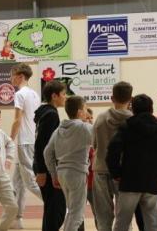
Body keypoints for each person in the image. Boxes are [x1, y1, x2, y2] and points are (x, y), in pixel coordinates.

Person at [107, 94, 157, 231]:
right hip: (151, 183)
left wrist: (116, 173)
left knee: (122, 223)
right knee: (152, 225)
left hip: (129, 182)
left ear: (133, 109)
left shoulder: (126, 127)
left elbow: (112, 150)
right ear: (151, 109)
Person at [44, 96, 93, 231]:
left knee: (72, 211)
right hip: (77, 173)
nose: (87, 113)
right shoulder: (84, 127)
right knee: (76, 214)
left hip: (62, 174)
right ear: (79, 112)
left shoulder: (59, 129)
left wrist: (54, 175)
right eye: (85, 109)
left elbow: (47, 152)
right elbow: (101, 140)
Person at [92, 81, 134, 231]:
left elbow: (94, 144)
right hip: (124, 172)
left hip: (101, 168)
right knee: (124, 215)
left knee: (103, 215)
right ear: (131, 99)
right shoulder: (133, 120)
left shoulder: (101, 118)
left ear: (112, 98)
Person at [10, 63, 42, 229]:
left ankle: (59, 207)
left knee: (30, 181)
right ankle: (17, 219)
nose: (11, 78)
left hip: (25, 142)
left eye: (13, 75)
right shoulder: (34, 94)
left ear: (20, 76)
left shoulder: (20, 94)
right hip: (32, 141)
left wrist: (10, 139)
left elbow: (17, 120)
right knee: (17, 182)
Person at [33, 81, 68, 231]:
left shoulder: (46, 112)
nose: (65, 97)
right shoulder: (51, 115)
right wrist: (42, 171)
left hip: (46, 167)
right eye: (63, 94)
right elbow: (42, 144)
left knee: (52, 208)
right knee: (56, 208)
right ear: (54, 96)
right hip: (46, 168)